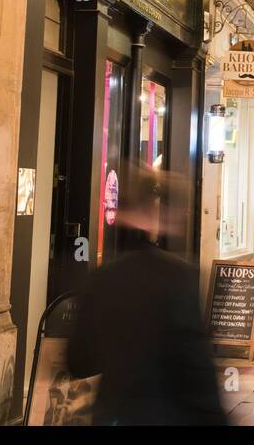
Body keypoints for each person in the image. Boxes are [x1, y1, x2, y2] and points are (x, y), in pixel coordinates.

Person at [67, 169, 225, 425]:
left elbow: (79, 361)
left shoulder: (102, 277)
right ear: (156, 214)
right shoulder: (178, 277)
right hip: (164, 415)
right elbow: (198, 369)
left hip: (113, 415)